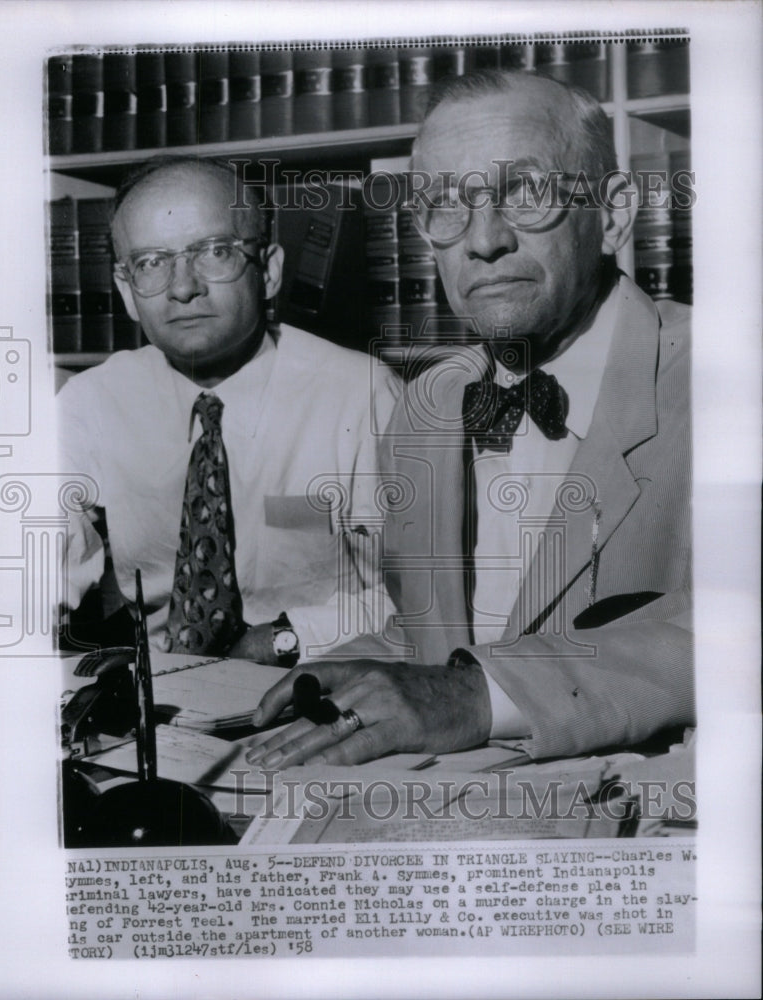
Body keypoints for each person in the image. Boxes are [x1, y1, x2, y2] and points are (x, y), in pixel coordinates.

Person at [247, 69, 693, 766]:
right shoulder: (428, 409)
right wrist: (348, 666)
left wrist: (478, 696)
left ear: (611, 215)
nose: (482, 241)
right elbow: (444, 633)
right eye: (445, 205)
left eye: (525, 192)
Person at [59, 156, 400, 664]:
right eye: (152, 262)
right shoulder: (92, 402)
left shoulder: (362, 395)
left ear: (269, 272)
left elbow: (424, 598)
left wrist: (285, 639)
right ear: (127, 293)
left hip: (322, 676)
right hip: (159, 690)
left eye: (214, 252)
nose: (182, 287)